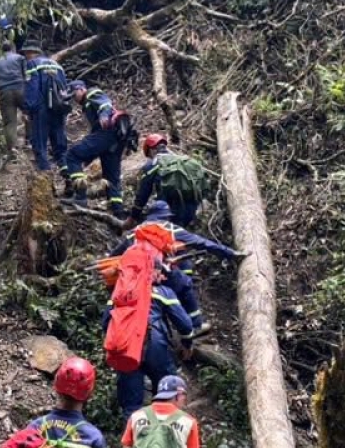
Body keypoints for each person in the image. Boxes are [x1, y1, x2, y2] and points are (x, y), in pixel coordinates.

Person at [113, 200, 245, 334]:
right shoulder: (170, 229)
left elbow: (115, 254)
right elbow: (202, 243)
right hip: (157, 273)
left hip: (132, 277)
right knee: (184, 284)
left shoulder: (135, 231)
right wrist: (230, 253)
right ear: (166, 216)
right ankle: (196, 325)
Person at [104, 263, 196, 420]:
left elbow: (106, 323)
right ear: (153, 272)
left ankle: (133, 432)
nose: (164, 277)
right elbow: (185, 324)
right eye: (161, 273)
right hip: (155, 346)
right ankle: (166, 428)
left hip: (126, 348)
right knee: (167, 397)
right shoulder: (163, 292)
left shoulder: (119, 292)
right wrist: (187, 344)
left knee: (131, 407)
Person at [65, 81, 128, 216]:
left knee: (73, 155)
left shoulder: (92, 93)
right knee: (111, 178)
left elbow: (105, 104)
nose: (74, 99)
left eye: (74, 94)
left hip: (106, 134)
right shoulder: (87, 103)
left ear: (81, 89)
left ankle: (80, 197)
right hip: (115, 141)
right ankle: (118, 213)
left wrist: (104, 115)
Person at [129, 135, 209, 228]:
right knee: (180, 232)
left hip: (169, 210)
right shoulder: (180, 160)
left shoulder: (152, 164)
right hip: (191, 209)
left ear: (151, 150)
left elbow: (143, 195)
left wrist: (133, 217)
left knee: (167, 233)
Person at [21, 41, 71, 175]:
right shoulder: (57, 65)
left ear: (31, 53)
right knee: (60, 146)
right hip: (58, 108)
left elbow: (32, 88)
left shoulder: (32, 64)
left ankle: (46, 177)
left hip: (41, 110)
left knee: (40, 145)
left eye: (26, 53)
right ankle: (68, 177)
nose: (25, 57)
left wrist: (27, 109)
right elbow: (65, 89)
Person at [0, 42, 28, 153]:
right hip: (21, 88)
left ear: (1, 50)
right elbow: (26, 75)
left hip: (4, 92)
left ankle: (13, 149)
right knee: (29, 114)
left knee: (10, 122)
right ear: (13, 48)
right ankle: (30, 141)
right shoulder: (20, 58)